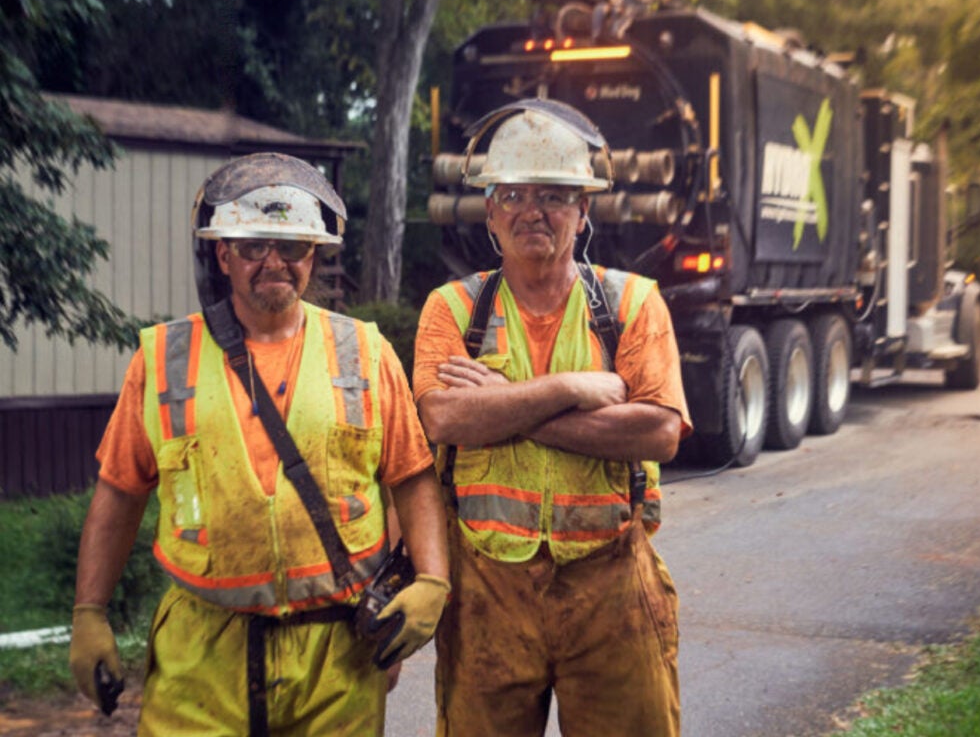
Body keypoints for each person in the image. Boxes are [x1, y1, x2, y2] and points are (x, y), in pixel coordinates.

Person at [69, 152, 449, 736]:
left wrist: (431, 581)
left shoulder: (364, 351)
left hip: (337, 654)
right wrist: (89, 611)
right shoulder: (165, 359)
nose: (274, 262)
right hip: (201, 651)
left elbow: (412, 476)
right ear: (223, 254)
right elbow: (120, 492)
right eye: (252, 246)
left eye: (292, 246)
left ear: (313, 254)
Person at [413, 99, 692, 736]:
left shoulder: (631, 303)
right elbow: (443, 418)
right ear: (490, 212)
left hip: (612, 585)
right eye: (512, 194)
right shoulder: (452, 308)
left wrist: (504, 404)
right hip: (487, 591)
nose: (531, 210)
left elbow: (660, 431)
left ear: (583, 209)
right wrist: (568, 387)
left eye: (555, 195)